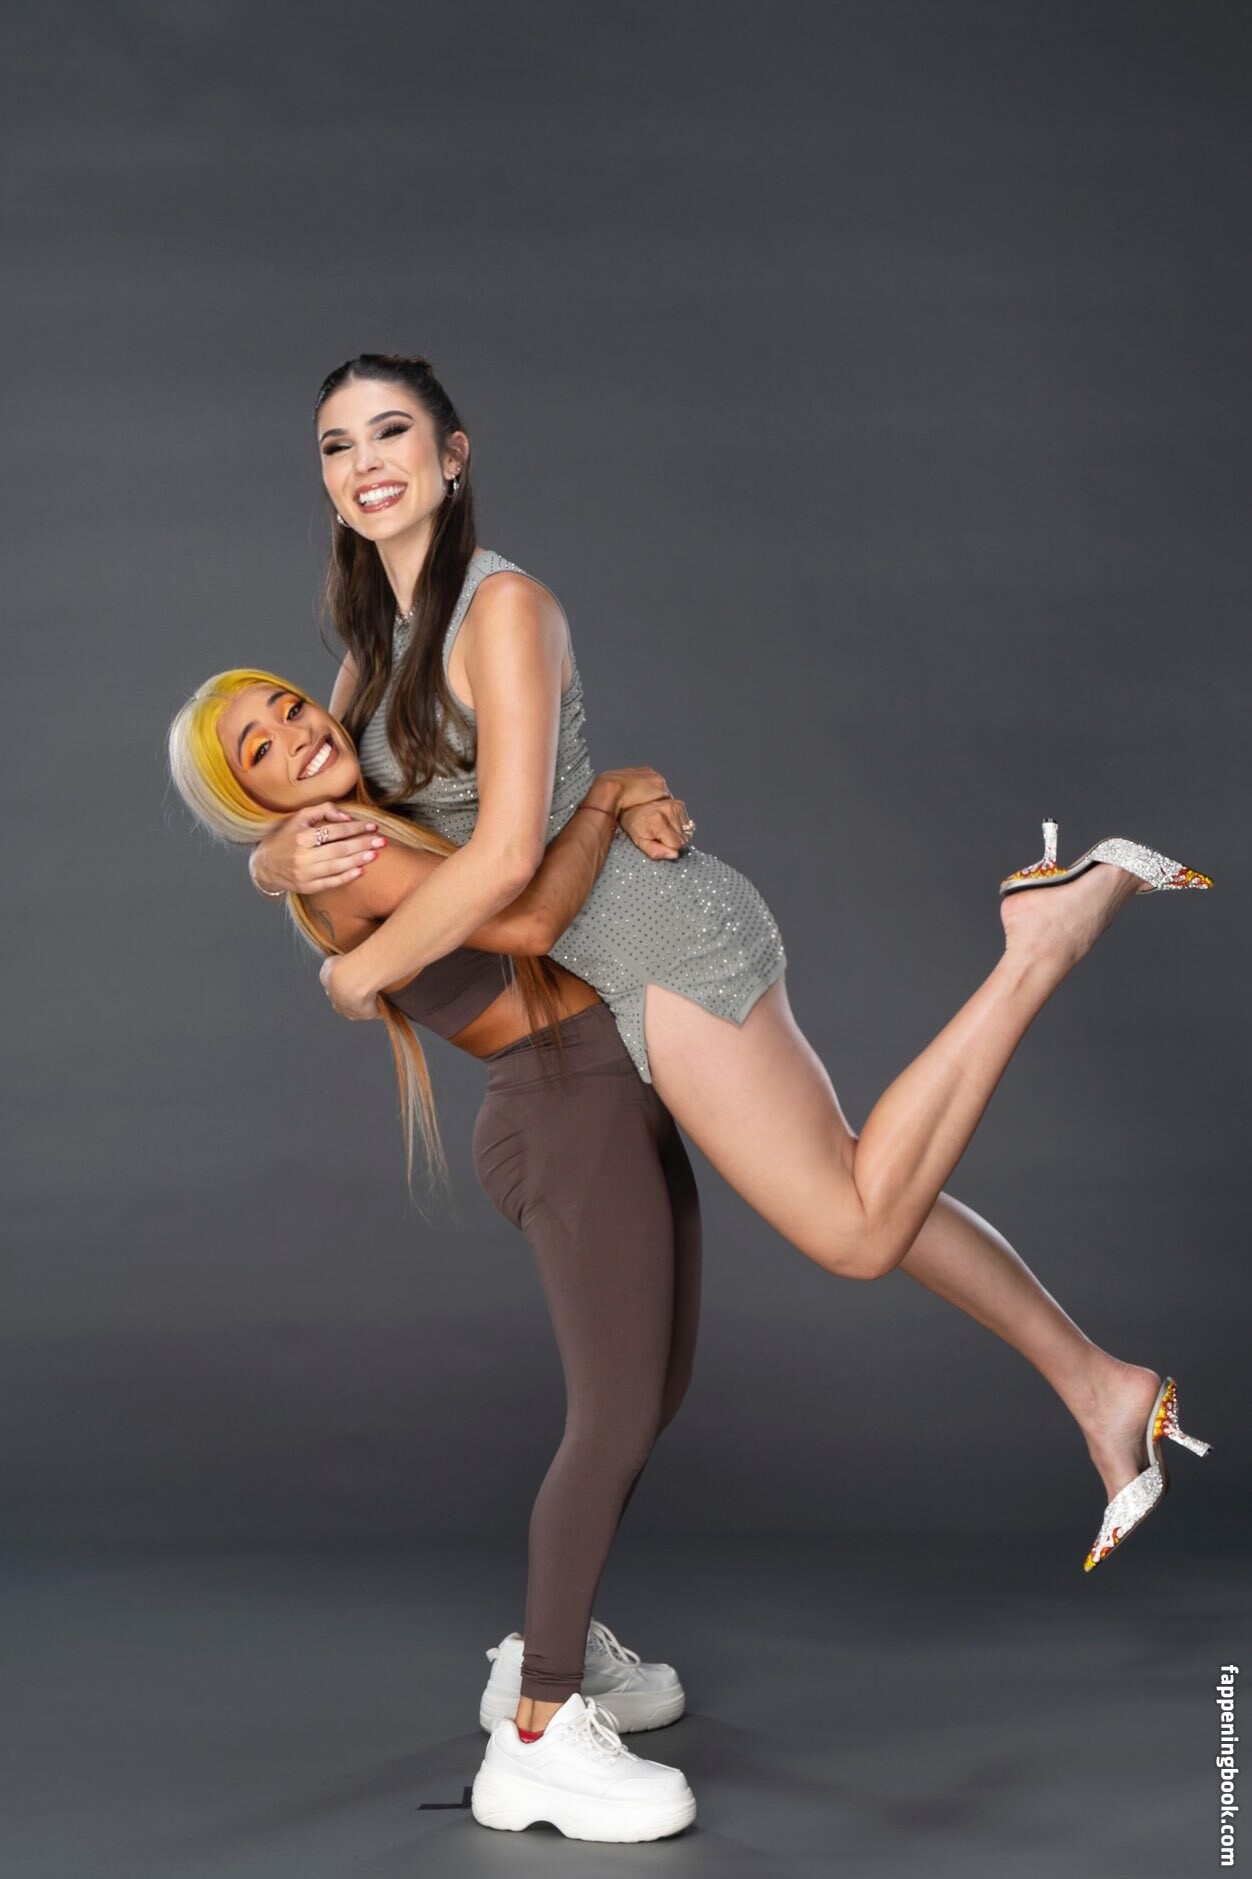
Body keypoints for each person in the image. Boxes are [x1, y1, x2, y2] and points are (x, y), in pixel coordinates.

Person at [250, 358, 1213, 1714]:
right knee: (864, 1176)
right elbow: (335, 809)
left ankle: (1041, 938)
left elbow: (510, 870)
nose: (365, 464)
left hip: (652, 942)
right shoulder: (370, 654)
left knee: (855, 1225)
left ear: (454, 454)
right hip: (614, 952)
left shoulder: (502, 608)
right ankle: (1102, 1386)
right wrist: (271, 864)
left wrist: (359, 975)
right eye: (337, 445)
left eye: (392, 432)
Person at [168, 671, 702, 1842]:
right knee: (613, 1416)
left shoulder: (355, 797)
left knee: (652, 1394)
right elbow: (528, 923)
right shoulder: (343, 850)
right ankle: (539, 1732)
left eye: (291, 707)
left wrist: (266, 858)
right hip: (565, 1107)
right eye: (257, 749)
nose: (297, 733)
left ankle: (548, 1642)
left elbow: (371, 654)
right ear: (250, 798)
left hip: (608, 1085)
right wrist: (610, 792)